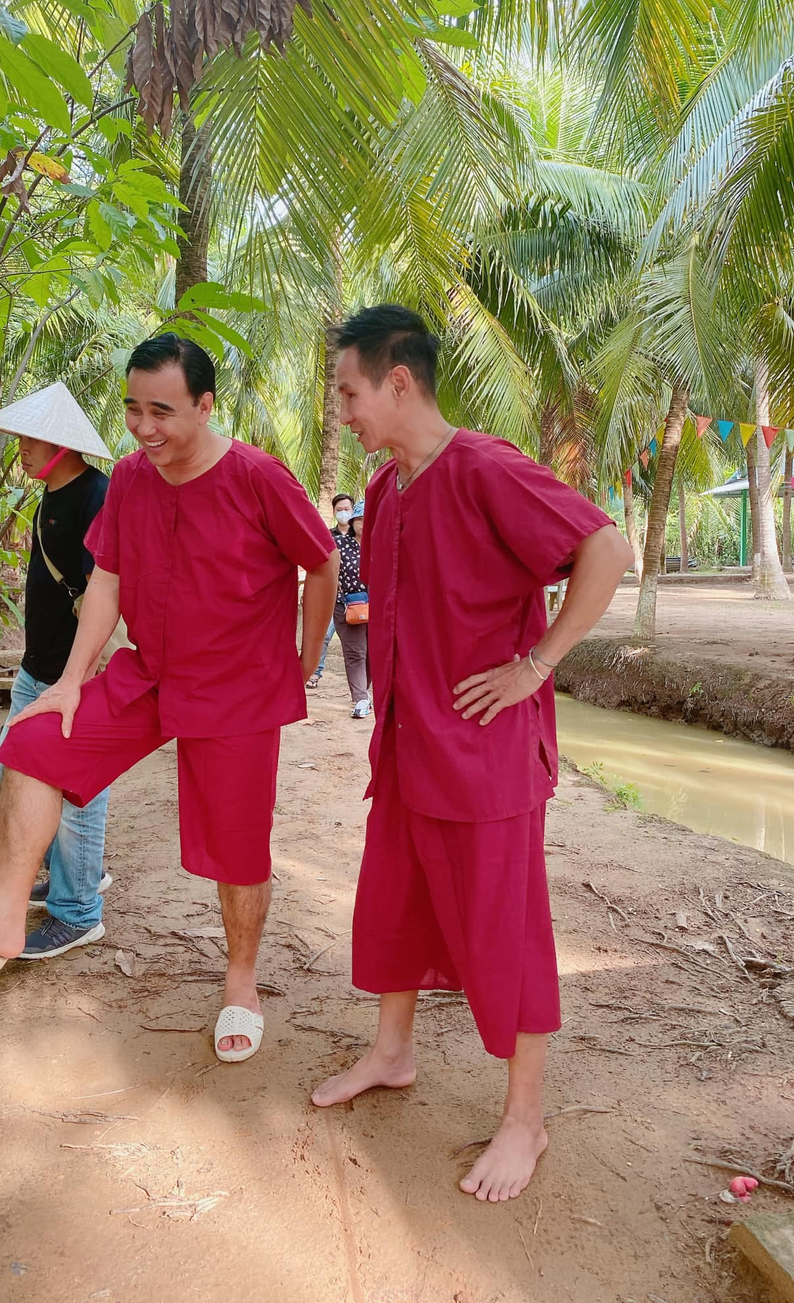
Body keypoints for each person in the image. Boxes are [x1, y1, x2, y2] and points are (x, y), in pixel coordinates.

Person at [0, 336, 338, 1063]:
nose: (143, 425)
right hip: (149, 671)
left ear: (205, 403)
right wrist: (73, 678)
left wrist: (305, 661)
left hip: (237, 691)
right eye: (132, 408)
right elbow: (108, 578)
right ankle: (3, 921)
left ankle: (240, 980)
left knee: (237, 848)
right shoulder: (131, 479)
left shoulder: (259, 476)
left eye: (161, 410)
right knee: (34, 742)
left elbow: (319, 564)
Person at [310, 306, 633, 1204]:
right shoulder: (384, 489)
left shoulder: (487, 467)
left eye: (349, 391)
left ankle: (525, 1119)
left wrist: (537, 666)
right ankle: (393, 1050)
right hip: (409, 747)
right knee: (393, 906)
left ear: (397, 382)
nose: (343, 410)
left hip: (487, 756)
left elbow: (606, 547)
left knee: (506, 932)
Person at [0, 382, 117, 959]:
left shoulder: (95, 497)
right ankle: (71, 881)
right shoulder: (51, 496)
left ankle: (78, 911)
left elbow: (105, 593)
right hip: (41, 668)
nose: (22, 450)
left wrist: (80, 676)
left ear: (62, 445)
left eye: (31, 440)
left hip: (72, 676)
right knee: (35, 775)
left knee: (79, 792)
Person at [307, 494, 371, 718]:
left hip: (380, 608)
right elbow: (326, 574)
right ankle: (360, 698)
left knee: (372, 653)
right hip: (348, 606)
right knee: (355, 653)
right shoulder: (339, 543)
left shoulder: (382, 544)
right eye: (360, 519)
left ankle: (364, 690)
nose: (364, 523)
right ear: (353, 522)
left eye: (368, 518)